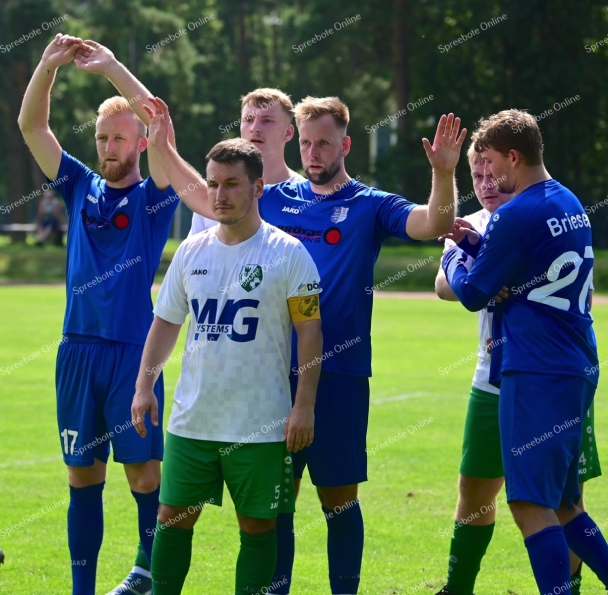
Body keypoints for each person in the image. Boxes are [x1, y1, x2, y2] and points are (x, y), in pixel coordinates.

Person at [143, 94, 462, 595]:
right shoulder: (270, 197)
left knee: (338, 500)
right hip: (270, 376)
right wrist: (162, 147)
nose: (313, 153)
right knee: (275, 506)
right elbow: (206, 192)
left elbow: (434, 223)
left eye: (325, 144)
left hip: (339, 375)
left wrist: (444, 174)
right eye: (308, 143)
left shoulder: (369, 205)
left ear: (345, 145)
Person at [17, 34, 212, 595]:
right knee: (82, 476)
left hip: (132, 352)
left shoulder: (155, 196)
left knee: (144, 475)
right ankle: (83, 588)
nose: (108, 146)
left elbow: (161, 124)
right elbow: (34, 127)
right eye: (102, 137)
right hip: (76, 350)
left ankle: (148, 573)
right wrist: (48, 65)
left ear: (137, 142)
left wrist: (112, 69)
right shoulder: (79, 185)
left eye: (119, 137)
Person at [442, 109, 608, 595]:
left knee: (528, 503)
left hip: (534, 369)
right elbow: (530, 263)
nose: (487, 175)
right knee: (566, 502)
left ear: (513, 156)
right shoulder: (568, 201)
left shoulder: (514, 212)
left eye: (490, 162)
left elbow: (470, 294)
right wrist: (480, 244)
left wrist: (454, 253)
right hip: (575, 362)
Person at [131, 137, 323, 595]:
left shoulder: (289, 253)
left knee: (257, 528)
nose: (220, 194)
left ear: (258, 188)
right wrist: (143, 387)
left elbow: (311, 333)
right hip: (192, 421)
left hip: (259, 425)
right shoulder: (191, 252)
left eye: (232, 184)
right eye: (214, 184)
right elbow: (164, 325)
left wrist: (304, 406)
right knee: (171, 521)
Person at [189, 88, 304, 236]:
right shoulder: (217, 194)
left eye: (267, 121)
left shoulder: (304, 196)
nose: (255, 128)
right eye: (248, 120)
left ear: (288, 132)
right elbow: (193, 255)